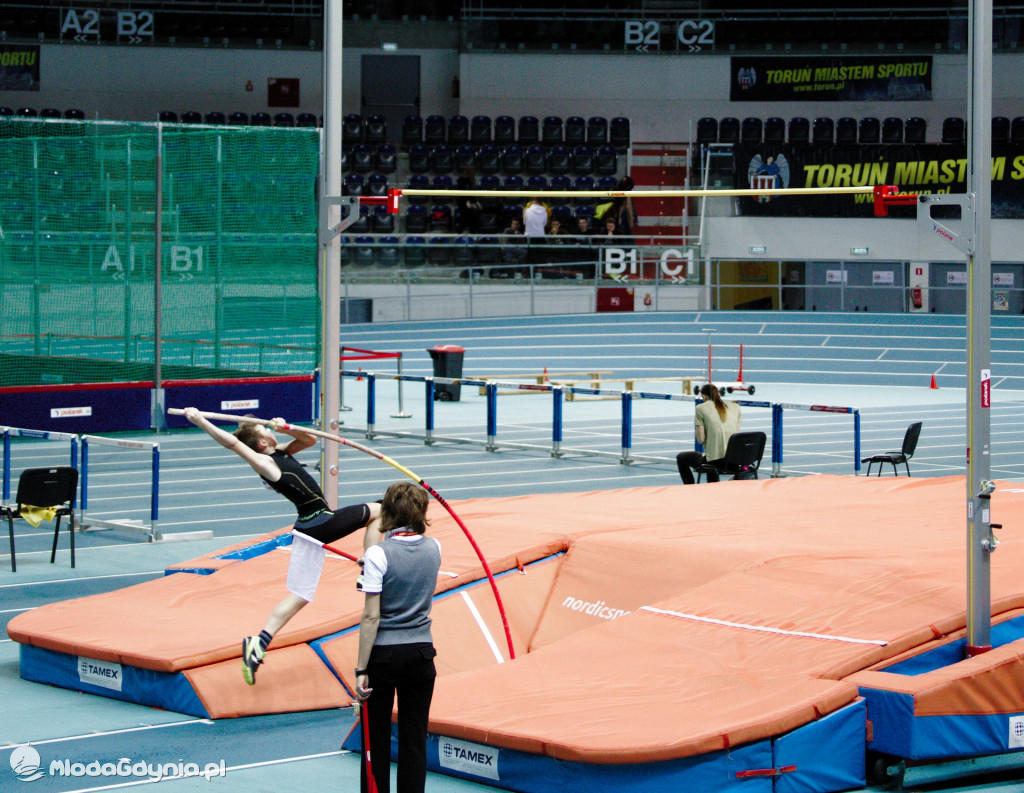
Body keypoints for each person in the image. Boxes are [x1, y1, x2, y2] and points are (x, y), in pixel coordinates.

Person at [183, 407, 382, 685]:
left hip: (306, 530)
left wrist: (285, 428)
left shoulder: (283, 453)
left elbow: (309, 441)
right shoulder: (266, 465)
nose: (268, 429)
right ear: (263, 444)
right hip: (321, 521)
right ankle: (370, 567)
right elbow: (233, 443)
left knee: (301, 594)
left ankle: (259, 641)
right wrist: (200, 420)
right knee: (382, 510)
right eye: (265, 431)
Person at [354, 481, 441, 793]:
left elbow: (371, 616)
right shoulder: (435, 547)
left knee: (375, 742)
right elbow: (409, 570)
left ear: (387, 512)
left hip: (384, 657)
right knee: (414, 740)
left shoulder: (378, 553)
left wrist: (361, 669)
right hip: (421, 654)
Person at [675, 384, 742, 484]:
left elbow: (701, 440)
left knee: (681, 457)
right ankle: (714, 486)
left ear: (704, 396)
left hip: (716, 461)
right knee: (711, 455)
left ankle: (690, 488)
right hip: (735, 461)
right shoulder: (735, 407)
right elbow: (735, 434)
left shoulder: (700, 408)